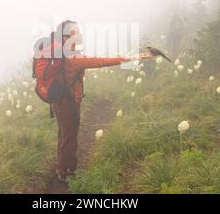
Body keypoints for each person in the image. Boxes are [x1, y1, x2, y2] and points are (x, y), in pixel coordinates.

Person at [48, 20, 153, 182]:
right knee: (69, 137)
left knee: (64, 134)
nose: (80, 33)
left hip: (59, 102)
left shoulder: (62, 53)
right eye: (76, 31)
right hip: (68, 103)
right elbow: (100, 61)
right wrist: (132, 58)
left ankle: (62, 167)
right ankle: (66, 172)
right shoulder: (71, 57)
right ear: (68, 36)